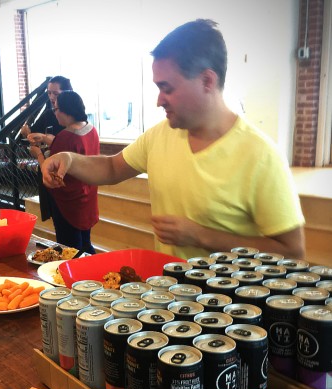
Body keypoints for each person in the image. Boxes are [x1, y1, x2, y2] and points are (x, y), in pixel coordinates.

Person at [41, 19, 306, 260]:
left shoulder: (260, 154)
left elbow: (292, 251)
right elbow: (111, 168)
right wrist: (69, 159)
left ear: (207, 80)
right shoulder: (160, 135)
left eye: (167, 88)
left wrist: (203, 236)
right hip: (170, 300)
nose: (159, 100)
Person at [30, 90, 100, 254]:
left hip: (68, 200)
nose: (55, 114)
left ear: (65, 111)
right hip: (87, 196)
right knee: (85, 244)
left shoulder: (65, 136)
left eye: (56, 109)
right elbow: (76, 148)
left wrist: (37, 154)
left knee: (70, 250)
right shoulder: (91, 129)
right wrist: (46, 138)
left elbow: (51, 172)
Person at [22, 76, 73, 221]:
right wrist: (28, 134)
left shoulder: (73, 123)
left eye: (56, 93)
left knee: (67, 228)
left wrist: (41, 148)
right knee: (59, 222)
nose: (51, 97)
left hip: (64, 176)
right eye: (49, 93)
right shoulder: (48, 114)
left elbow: (65, 147)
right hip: (48, 171)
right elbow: (34, 137)